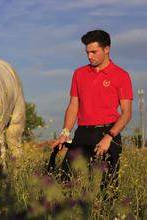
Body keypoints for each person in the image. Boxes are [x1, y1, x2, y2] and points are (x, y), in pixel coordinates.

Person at [51, 29, 133, 199]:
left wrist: (109, 137)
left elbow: (126, 113)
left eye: (94, 52)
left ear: (107, 49)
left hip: (108, 133)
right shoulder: (79, 74)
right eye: (87, 52)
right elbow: (73, 105)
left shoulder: (121, 75)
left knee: (107, 190)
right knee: (65, 183)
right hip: (83, 133)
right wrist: (65, 133)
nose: (89, 56)